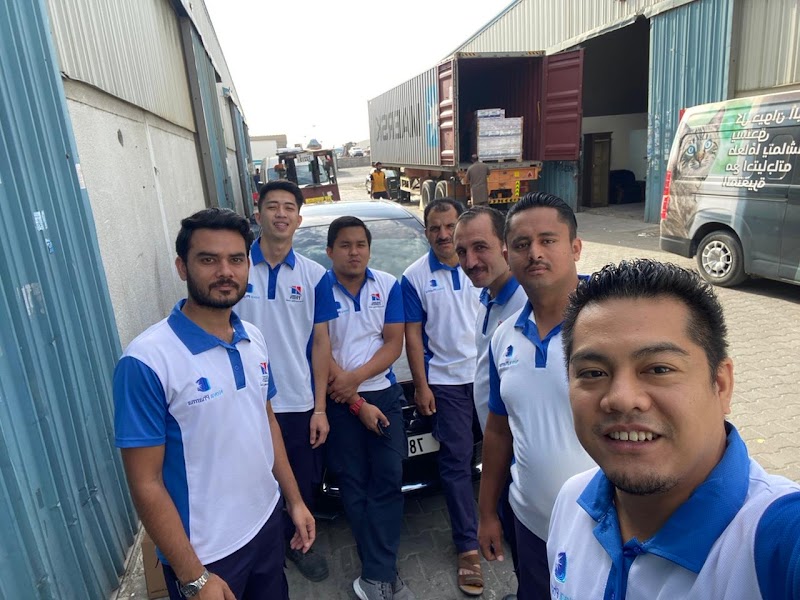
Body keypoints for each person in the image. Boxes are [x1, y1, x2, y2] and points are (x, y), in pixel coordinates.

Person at [549, 259, 800, 600]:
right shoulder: (571, 502)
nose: (621, 399)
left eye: (659, 369)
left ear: (721, 385)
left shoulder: (777, 542)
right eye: (593, 373)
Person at [114, 208, 315, 600]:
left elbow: (266, 421)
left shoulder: (253, 337)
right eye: (208, 260)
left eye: (236, 259)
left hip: (266, 525)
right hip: (207, 556)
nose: (225, 271)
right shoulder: (146, 361)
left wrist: (294, 501)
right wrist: (194, 577)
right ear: (182, 267)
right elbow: (145, 483)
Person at [477, 192, 595, 600]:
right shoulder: (504, 337)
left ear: (575, 247)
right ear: (507, 256)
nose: (535, 253)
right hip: (530, 525)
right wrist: (487, 513)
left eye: (548, 240)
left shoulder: (614, 323)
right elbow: (498, 432)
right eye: (523, 244)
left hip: (604, 528)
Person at [234, 180, 336, 582]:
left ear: (298, 218)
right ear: (257, 214)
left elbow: (321, 343)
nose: (281, 214)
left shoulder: (315, 275)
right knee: (251, 478)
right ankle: (264, 547)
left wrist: (320, 408)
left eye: (289, 207)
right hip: (244, 400)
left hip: (297, 401)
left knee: (302, 479)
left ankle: (298, 542)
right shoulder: (237, 267)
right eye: (272, 206)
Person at [323, 216, 416, 600]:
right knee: (354, 484)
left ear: (369, 249)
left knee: (389, 478)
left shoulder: (388, 285)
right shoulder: (319, 289)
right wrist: (350, 394)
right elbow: (317, 349)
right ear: (330, 251)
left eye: (361, 244)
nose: (354, 252)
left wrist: (354, 380)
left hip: (383, 395)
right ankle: (383, 576)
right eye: (345, 245)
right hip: (337, 400)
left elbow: (393, 344)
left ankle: (376, 573)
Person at [402, 198, 483, 596]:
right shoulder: (413, 277)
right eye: (434, 227)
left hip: (488, 375)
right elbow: (413, 335)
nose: (443, 234)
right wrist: (421, 385)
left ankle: (506, 522)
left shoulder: (481, 266)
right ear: (426, 232)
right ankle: (468, 547)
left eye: (450, 226)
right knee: (456, 462)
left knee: (506, 450)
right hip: (447, 384)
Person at [454, 205, 527, 599]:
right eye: (462, 252)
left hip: (524, 461)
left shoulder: (526, 305)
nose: (470, 261)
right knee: (522, 551)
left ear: (505, 245)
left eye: (480, 247)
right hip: (503, 456)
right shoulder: (489, 297)